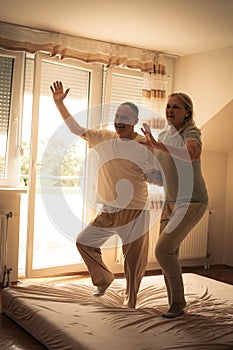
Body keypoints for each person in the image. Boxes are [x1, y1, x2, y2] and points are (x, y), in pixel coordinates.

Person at [50, 80, 156, 308]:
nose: (120, 121)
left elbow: (160, 175)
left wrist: (153, 173)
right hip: (109, 209)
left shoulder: (145, 145)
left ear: (135, 122)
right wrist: (59, 104)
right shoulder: (104, 138)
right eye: (117, 116)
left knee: (133, 261)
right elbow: (76, 129)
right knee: (84, 242)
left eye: (125, 117)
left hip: (136, 210)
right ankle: (104, 277)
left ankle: (131, 302)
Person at [141, 92, 209, 318]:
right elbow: (166, 176)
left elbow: (191, 154)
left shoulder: (190, 132)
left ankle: (178, 303)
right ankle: (174, 304)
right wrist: (151, 176)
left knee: (162, 251)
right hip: (170, 201)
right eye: (168, 106)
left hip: (192, 200)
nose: (170, 110)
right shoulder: (164, 136)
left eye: (176, 107)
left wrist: (158, 146)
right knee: (169, 254)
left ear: (187, 112)